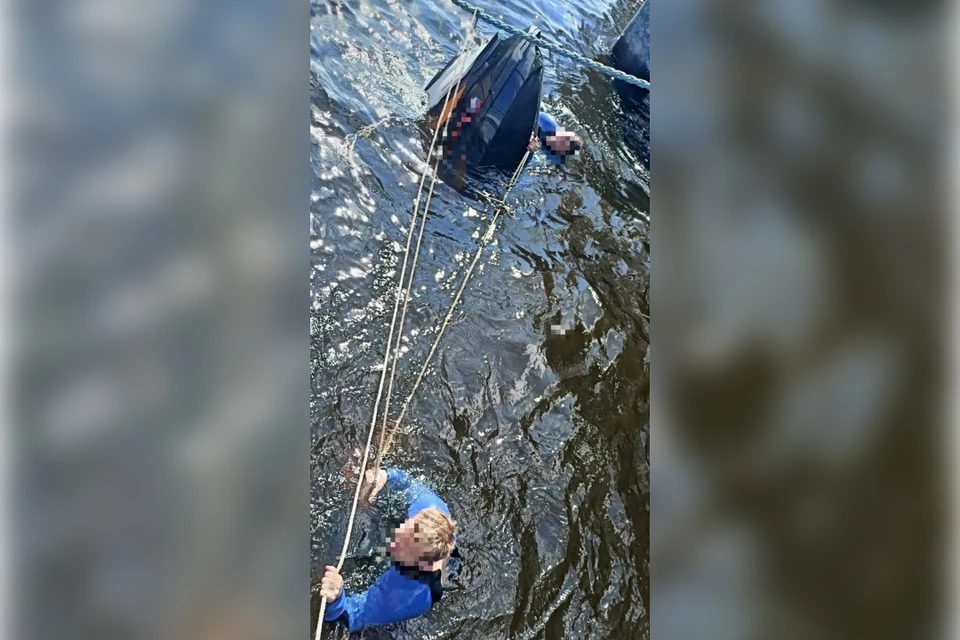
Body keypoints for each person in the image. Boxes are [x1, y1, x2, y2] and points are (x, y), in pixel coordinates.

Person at [319, 466, 459, 634]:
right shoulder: (431, 507)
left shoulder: (401, 594)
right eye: (403, 531)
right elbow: (407, 483)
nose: (392, 543)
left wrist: (335, 598)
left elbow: (351, 618)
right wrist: (386, 475)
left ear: (420, 564)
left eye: (403, 549)